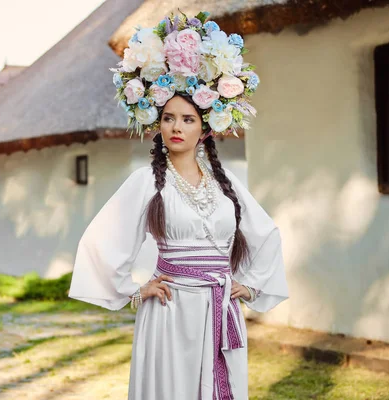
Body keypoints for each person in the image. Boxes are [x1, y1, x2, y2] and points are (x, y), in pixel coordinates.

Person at [69, 11, 288, 400]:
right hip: (170, 313)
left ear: (204, 129)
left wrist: (251, 286)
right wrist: (135, 291)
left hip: (219, 309)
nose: (176, 127)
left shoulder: (225, 183)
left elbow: (265, 233)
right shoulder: (145, 182)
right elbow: (101, 241)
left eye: (187, 119)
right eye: (168, 118)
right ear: (157, 123)